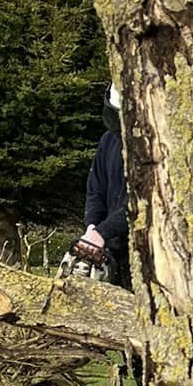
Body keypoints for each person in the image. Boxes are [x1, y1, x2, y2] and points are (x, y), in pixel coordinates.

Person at [73, 84, 130, 288]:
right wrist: (92, 228)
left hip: (146, 247)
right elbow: (95, 190)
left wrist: (103, 232)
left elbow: (146, 203)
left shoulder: (154, 145)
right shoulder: (109, 140)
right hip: (113, 245)